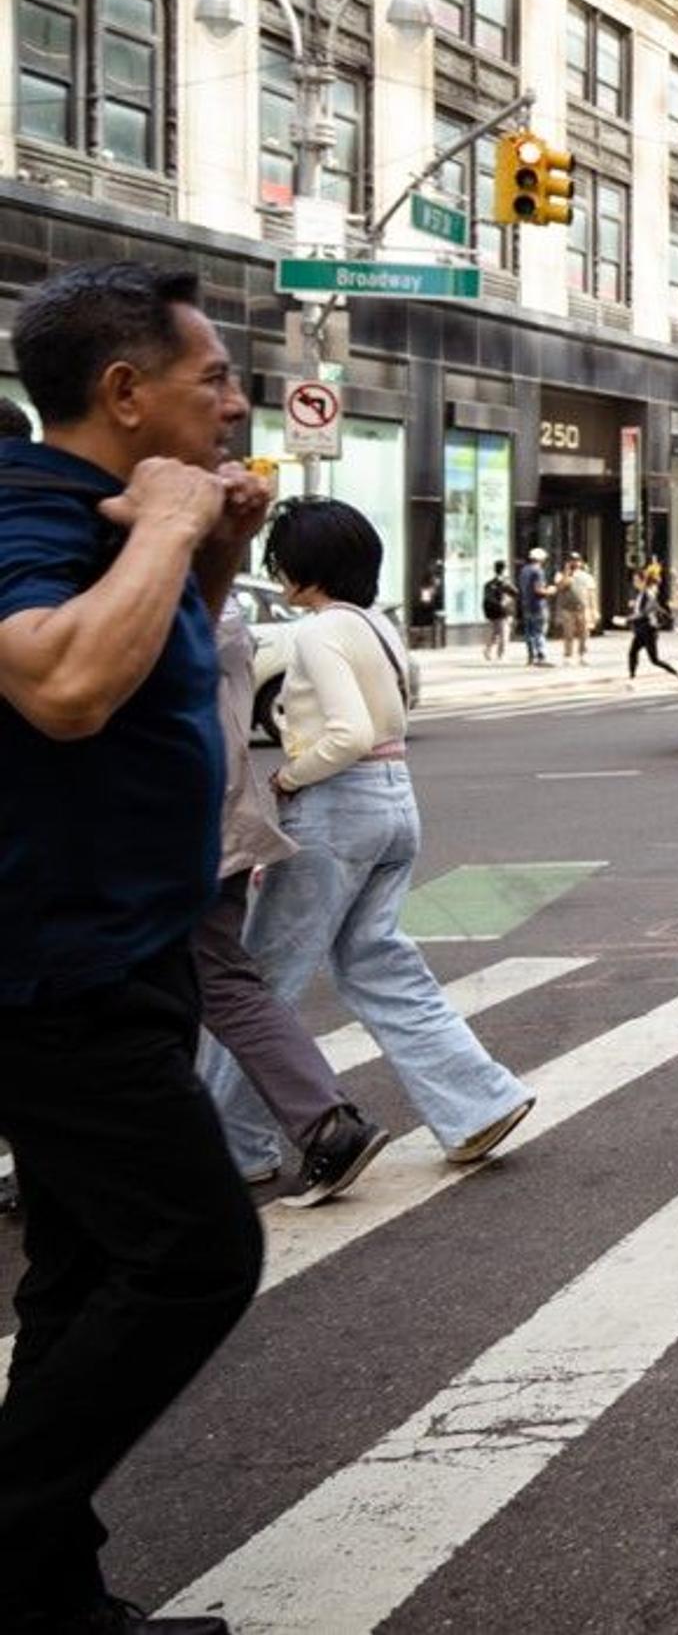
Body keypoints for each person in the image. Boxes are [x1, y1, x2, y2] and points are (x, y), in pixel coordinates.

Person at [0, 263, 269, 1635]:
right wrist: (171, 521)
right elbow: (60, 684)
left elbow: (167, 662)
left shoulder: (127, 523)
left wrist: (208, 547)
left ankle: (53, 1601)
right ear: (123, 393)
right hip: (52, 975)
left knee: (86, 1270)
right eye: (211, 378)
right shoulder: (24, 507)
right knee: (196, 1257)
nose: (235, 403)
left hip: (133, 946)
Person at [217, 498, 538, 1177]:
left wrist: (286, 781)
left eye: (281, 558)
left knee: (258, 982)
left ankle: (233, 1146)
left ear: (305, 567)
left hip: (336, 805)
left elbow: (347, 732)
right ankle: (479, 1101)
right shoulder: (378, 625)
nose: (275, 570)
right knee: (379, 963)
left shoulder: (317, 633)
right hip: (395, 798)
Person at [201, 588, 388, 1208]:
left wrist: (288, 776)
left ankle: (320, 1127)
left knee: (209, 982)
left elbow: (351, 733)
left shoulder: (155, 608)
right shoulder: (224, 613)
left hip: (158, 830)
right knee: (217, 981)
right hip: (217, 818)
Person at [624, 562, 676, 682]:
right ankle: (631, 677)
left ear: (643, 581)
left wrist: (628, 619)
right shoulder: (642, 594)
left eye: (636, 580)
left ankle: (675, 672)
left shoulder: (649, 594)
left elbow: (644, 613)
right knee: (632, 652)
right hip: (641, 630)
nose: (634, 583)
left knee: (654, 660)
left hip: (648, 630)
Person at [553, 553, 595, 665]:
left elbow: (591, 593)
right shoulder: (560, 575)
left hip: (583, 608)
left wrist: (593, 610)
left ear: (581, 562)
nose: (575, 563)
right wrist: (567, 573)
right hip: (567, 609)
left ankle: (583, 655)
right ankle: (568, 655)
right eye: (572, 560)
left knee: (584, 633)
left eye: (577, 560)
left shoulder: (586, 576)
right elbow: (560, 587)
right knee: (568, 633)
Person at [516, 547, 551, 666]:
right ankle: (541, 656)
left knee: (529, 632)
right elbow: (538, 590)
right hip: (538, 605)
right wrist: (550, 591)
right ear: (540, 559)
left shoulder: (524, 570)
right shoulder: (538, 571)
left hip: (526, 605)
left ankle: (531, 656)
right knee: (539, 631)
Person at [479, 564, 516, 662]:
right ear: (504, 570)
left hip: (492, 613)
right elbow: (516, 593)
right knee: (504, 634)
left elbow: (487, 598)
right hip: (503, 612)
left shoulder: (488, 584)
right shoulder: (505, 583)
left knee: (493, 633)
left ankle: (487, 651)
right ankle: (501, 655)